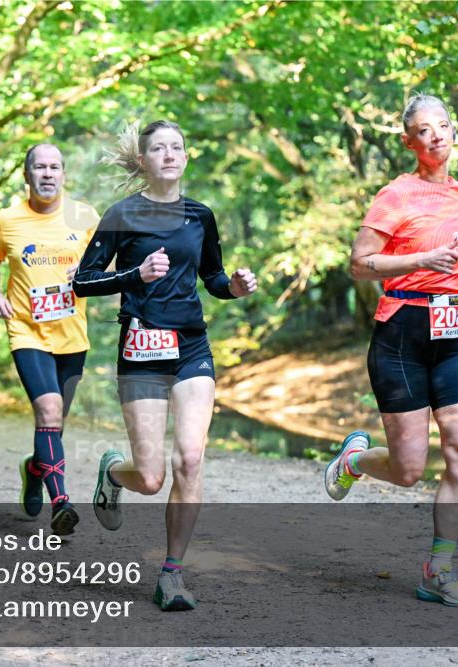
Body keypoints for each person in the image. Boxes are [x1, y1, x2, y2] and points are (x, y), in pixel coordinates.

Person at [324, 94, 458, 607]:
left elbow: (453, 265)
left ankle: (439, 568)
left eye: (444, 126)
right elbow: (360, 265)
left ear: (455, 132)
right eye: (424, 130)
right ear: (410, 142)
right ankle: (356, 461)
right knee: (408, 471)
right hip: (402, 334)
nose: (437, 135)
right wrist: (424, 256)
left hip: (453, 334)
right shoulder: (395, 195)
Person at [73, 121, 257, 611]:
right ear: (145, 159)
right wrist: (134, 274)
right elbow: (82, 282)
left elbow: (212, 277)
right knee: (152, 477)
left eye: (177, 146)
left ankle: (172, 573)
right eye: (159, 148)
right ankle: (114, 473)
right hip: (140, 352)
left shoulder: (201, 215)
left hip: (191, 348)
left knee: (190, 460)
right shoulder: (122, 214)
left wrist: (233, 287)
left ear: (185, 156)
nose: (169, 155)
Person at [0, 143, 99, 536]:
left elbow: (109, 263)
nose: (47, 174)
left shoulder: (84, 217)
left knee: (55, 425)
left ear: (64, 174)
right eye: (39, 167)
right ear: (26, 175)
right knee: (48, 410)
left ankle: (34, 470)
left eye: (55, 167)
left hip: (72, 335)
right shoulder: (7, 219)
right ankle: (61, 502)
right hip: (27, 330)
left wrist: (87, 271)